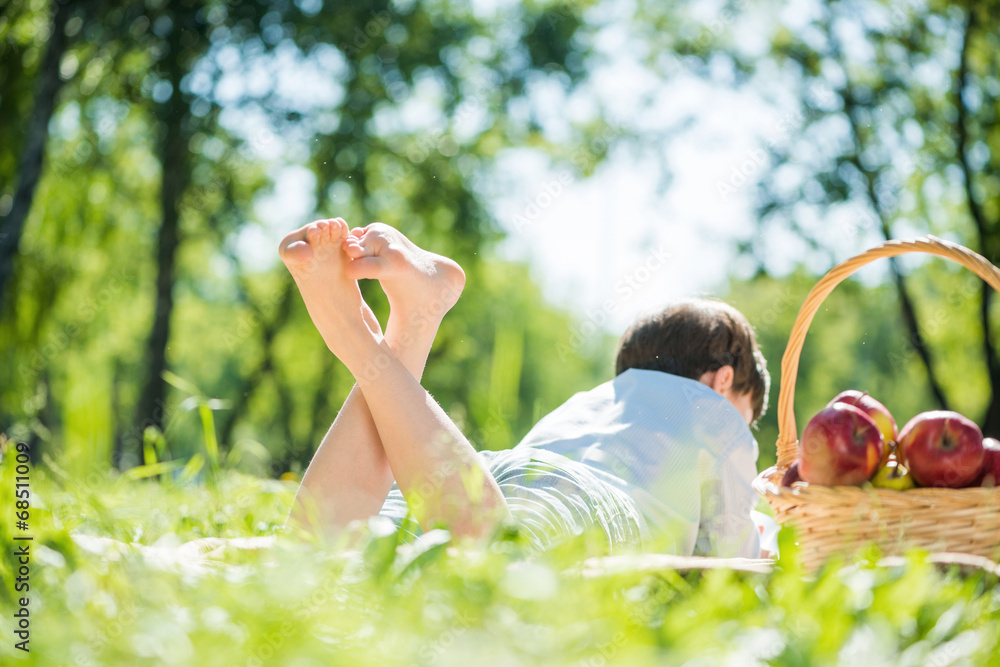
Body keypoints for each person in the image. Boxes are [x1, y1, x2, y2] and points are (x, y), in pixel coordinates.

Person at [281, 218, 769, 557]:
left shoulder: (588, 403)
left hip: (490, 473)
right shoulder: (711, 407)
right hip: (587, 505)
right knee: (494, 564)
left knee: (320, 551)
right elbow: (732, 554)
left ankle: (412, 324)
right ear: (723, 382)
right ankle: (359, 342)